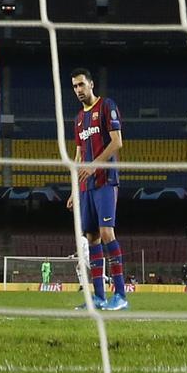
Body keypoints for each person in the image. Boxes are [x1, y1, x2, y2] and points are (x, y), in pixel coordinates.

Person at [65, 67, 128, 312]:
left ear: (91, 84)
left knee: (107, 233)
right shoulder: (79, 119)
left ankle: (121, 294)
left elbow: (117, 141)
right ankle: (99, 297)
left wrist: (93, 166)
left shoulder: (106, 106)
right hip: (86, 185)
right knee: (91, 238)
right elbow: (79, 155)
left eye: (81, 84)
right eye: (74, 86)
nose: (78, 90)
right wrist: (73, 189)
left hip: (105, 180)